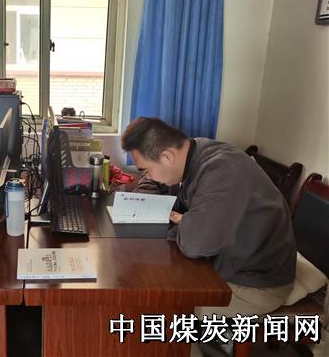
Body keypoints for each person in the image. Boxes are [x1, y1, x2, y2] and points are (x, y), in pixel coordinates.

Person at [121, 117, 296, 319]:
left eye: (146, 170)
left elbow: (195, 245)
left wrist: (186, 222)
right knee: (149, 280)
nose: (148, 176)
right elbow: (190, 226)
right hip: (228, 262)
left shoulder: (221, 170)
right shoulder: (193, 152)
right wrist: (187, 222)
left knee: (162, 306)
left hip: (254, 284)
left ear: (167, 157)